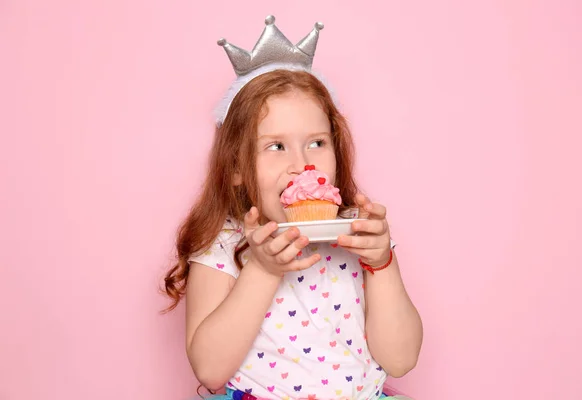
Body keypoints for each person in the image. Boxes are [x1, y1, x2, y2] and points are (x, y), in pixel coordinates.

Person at [163, 15, 423, 400]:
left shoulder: (356, 233)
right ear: (236, 168)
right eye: (276, 146)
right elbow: (209, 367)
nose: (302, 164)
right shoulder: (223, 244)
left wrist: (381, 263)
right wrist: (264, 270)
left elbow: (400, 359)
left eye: (317, 143)